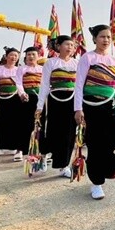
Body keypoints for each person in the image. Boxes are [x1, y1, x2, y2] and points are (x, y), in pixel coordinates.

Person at [74, 25, 115, 199]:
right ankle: (97, 183)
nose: (106, 40)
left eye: (108, 37)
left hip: (110, 107)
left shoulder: (114, 61)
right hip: (91, 107)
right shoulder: (87, 58)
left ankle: (107, 167)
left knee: (112, 140)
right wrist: (78, 109)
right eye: (102, 37)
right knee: (96, 143)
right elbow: (79, 84)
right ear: (95, 39)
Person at [35, 35, 78, 177]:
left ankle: (63, 165)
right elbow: (45, 85)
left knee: (69, 133)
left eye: (72, 45)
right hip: (54, 101)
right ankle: (44, 156)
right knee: (52, 131)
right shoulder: (51, 63)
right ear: (58, 46)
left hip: (71, 101)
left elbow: (80, 86)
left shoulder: (76, 64)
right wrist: (40, 106)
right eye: (67, 44)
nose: (70, 47)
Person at [0, 48, 23, 159]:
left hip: (15, 99)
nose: (13, 57)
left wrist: (22, 94)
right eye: (11, 55)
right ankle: (0, 146)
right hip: (1, 99)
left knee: (14, 123)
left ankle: (13, 146)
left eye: (16, 56)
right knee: (0, 122)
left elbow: (20, 86)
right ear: (6, 56)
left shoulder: (19, 70)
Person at [15, 46, 42, 159]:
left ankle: (38, 149)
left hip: (40, 99)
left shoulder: (42, 69)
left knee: (39, 123)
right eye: (29, 54)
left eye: (33, 54)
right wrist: (22, 93)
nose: (31, 56)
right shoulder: (21, 69)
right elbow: (18, 83)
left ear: (38, 56)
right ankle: (20, 149)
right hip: (26, 98)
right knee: (23, 123)